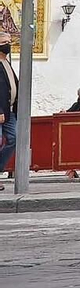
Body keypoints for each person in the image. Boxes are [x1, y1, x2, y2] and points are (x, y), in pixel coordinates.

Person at [0, 41, 16, 187]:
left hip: (10, 112)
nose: (8, 45)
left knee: (13, 139)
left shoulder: (6, 63)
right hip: (1, 111)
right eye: (5, 43)